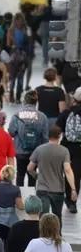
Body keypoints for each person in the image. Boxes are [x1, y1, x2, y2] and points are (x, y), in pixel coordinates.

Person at [28, 126, 77, 223]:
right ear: (60, 136)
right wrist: (73, 189)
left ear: (48, 136)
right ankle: (57, 236)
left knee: (43, 217)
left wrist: (37, 176)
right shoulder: (64, 151)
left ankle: (43, 236)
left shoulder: (39, 149)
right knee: (57, 216)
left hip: (42, 189)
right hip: (58, 189)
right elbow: (67, 170)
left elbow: (29, 168)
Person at [9, 90, 49, 187]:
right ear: (36, 102)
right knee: (32, 175)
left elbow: (11, 132)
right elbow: (45, 138)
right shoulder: (42, 116)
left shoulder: (16, 115)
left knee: (20, 174)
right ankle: (31, 197)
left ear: (24, 101)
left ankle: (20, 197)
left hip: (20, 151)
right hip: (35, 152)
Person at [55, 86, 81, 214]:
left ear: (74, 99)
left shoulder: (66, 113)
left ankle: (62, 197)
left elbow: (56, 130)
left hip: (66, 147)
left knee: (65, 172)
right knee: (76, 175)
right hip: (79, 149)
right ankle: (72, 202)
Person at [0, 165, 24, 243]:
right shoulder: (16, 189)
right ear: (12, 176)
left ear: (1, 174)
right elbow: (20, 206)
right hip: (10, 222)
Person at [7, 12, 31, 103]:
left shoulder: (11, 30)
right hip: (23, 56)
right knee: (20, 78)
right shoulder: (26, 29)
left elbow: (8, 44)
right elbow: (29, 43)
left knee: (13, 77)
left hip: (13, 56)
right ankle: (17, 98)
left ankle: (12, 97)